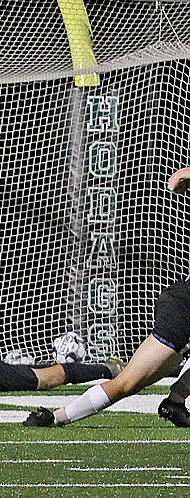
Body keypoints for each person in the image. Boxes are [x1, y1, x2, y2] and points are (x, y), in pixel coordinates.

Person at [23, 166, 190, 427]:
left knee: (127, 382)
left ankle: (176, 400)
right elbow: (180, 175)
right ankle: (56, 417)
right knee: (127, 383)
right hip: (183, 310)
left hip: (180, 302)